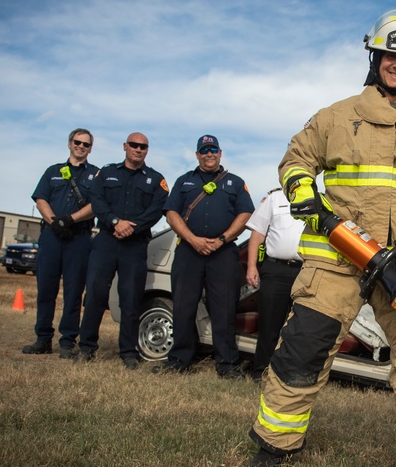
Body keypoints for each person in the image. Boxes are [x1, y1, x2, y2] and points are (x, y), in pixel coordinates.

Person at [246, 9, 396, 467]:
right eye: (391, 54)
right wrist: (303, 191)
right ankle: (273, 447)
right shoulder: (335, 115)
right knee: (302, 349)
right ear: (376, 56)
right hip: (336, 258)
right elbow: (296, 160)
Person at [156, 134, 254, 378]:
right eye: (204, 150)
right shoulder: (184, 181)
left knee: (224, 308)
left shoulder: (234, 182)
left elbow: (245, 214)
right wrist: (193, 240)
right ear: (197, 155)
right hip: (189, 252)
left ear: (220, 153)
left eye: (213, 149)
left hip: (223, 254)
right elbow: (171, 213)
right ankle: (179, 360)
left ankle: (227, 364)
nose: (209, 154)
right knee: (183, 306)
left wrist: (221, 240)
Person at [76, 132, 168, 369]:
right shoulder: (107, 173)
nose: (138, 149)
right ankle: (86, 347)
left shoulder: (155, 179)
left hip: (135, 245)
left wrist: (131, 228)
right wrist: (115, 221)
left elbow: (157, 209)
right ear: (125, 147)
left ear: (147, 150)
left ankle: (128, 351)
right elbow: (96, 200)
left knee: (130, 299)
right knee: (96, 295)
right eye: (134, 145)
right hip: (106, 241)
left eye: (143, 147)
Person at [22, 128, 99, 359]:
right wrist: (55, 222)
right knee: (46, 289)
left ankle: (67, 341)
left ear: (90, 149)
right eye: (77, 142)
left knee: (74, 291)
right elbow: (41, 198)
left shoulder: (96, 175)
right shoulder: (53, 171)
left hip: (79, 237)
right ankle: (43, 339)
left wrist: (70, 220)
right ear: (69, 144)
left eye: (86, 144)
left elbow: (97, 204)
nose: (81, 147)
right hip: (52, 237)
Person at [245, 187, 304, 382]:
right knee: (269, 324)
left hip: (305, 272)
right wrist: (251, 266)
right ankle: (261, 372)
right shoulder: (274, 198)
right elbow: (257, 234)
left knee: (299, 328)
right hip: (275, 270)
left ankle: (288, 375)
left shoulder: (318, 200)